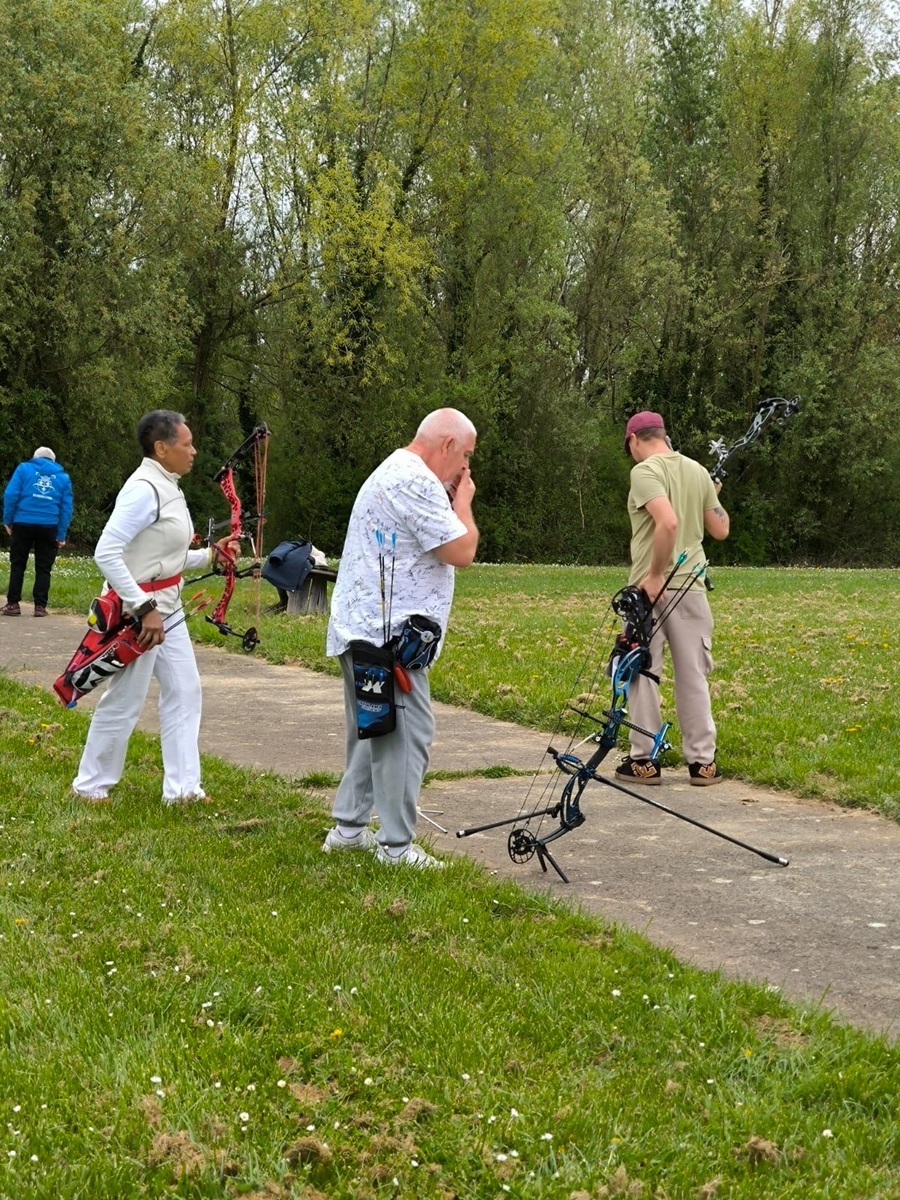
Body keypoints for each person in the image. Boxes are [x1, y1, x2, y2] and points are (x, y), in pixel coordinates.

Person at [324, 408, 479, 868]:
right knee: (407, 735)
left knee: (374, 730)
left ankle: (348, 830)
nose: (466, 468)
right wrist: (464, 501)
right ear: (448, 444)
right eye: (467, 455)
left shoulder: (396, 470)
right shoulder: (416, 481)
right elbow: (462, 549)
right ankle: (396, 847)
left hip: (364, 629)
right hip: (390, 639)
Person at [71, 410, 239, 806]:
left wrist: (208, 556)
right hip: (139, 615)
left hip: (165, 608)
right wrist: (143, 607)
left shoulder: (167, 484)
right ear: (161, 448)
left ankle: (183, 790)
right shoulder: (144, 489)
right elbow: (106, 552)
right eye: (187, 444)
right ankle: (90, 786)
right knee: (126, 699)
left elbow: (161, 555)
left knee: (184, 690)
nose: (193, 451)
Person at [616, 410, 730, 787]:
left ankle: (644, 761)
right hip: (692, 588)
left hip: (648, 592)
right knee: (693, 675)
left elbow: (667, 522)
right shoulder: (697, 471)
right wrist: (710, 494)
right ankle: (703, 763)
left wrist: (653, 576)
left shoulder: (644, 472)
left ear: (634, 440)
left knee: (643, 671)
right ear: (664, 435)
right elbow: (720, 528)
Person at [2, 446, 73, 617]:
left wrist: (8, 520)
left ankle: (13, 604)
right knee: (43, 568)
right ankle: (40, 606)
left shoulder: (23, 469)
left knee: (17, 564)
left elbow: (11, 494)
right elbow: (66, 508)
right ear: (53, 461)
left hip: (23, 522)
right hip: (49, 525)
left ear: (35, 458)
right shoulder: (63, 478)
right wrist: (60, 535)